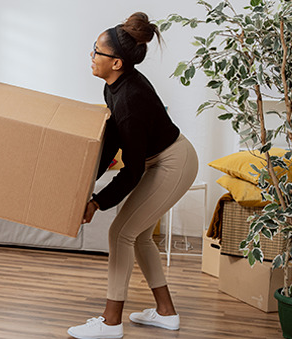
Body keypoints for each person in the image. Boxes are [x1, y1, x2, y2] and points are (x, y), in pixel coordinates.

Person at [67, 12, 199, 339]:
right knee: (137, 236)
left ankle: (111, 322)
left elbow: (133, 169)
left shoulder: (130, 99)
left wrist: (97, 202)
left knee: (120, 234)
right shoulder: (114, 88)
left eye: (98, 51)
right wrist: (81, 187)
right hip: (160, 160)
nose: (92, 56)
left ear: (117, 63)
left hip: (174, 161)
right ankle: (166, 314)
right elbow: (111, 143)